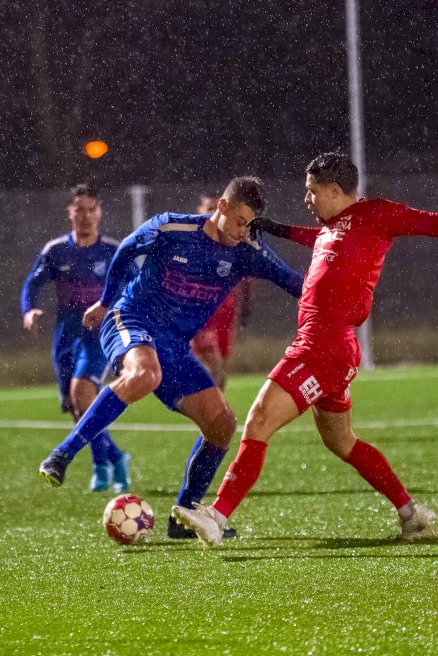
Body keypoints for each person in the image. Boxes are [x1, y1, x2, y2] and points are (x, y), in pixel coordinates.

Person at [172, 152, 438, 547]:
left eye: (312, 192)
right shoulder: (333, 228)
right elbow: (314, 237)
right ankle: (410, 512)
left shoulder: (378, 215)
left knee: (260, 420)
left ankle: (217, 515)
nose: (307, 199)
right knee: (341, 441)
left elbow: (435, 223)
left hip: (322, 347)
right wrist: (278, 228)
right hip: (333, 348)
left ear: (335, 191)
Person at [36, 176, 304, 539]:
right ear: (221, 207)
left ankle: (183, 519)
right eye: (240, 221)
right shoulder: (171, 227)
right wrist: (105, 301)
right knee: (145, 375)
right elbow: (126, 250)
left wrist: (338, 299)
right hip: (130, 319)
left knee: (222, 424)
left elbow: (296, 284)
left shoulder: (248, 251)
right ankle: (63, 455)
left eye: (250, 224)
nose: (244, 231)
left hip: (174, 346)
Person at [21, 183, 131, 493]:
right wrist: (28, 310)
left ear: (99, 212)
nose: (85, 216)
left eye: (91, 209)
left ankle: (99, 466)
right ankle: (116, 456)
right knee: (74, 405)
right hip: (66, 334)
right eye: (79, 210)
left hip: (99, 333)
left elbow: (136, 285)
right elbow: (31, 284)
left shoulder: (113, 251)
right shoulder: (56, 251)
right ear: (70, 213)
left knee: (82, 391)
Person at [190, 193, 254, 389]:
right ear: (199, 211)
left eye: (216, 208)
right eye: (209, 208)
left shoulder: (233, 241)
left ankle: (217, 410)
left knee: (221, 366)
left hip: (226, 309)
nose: (213, 213)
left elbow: (246, 276)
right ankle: (212, 409)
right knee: (212, 360)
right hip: (201, 309)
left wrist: (246, 305)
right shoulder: (192, 241)